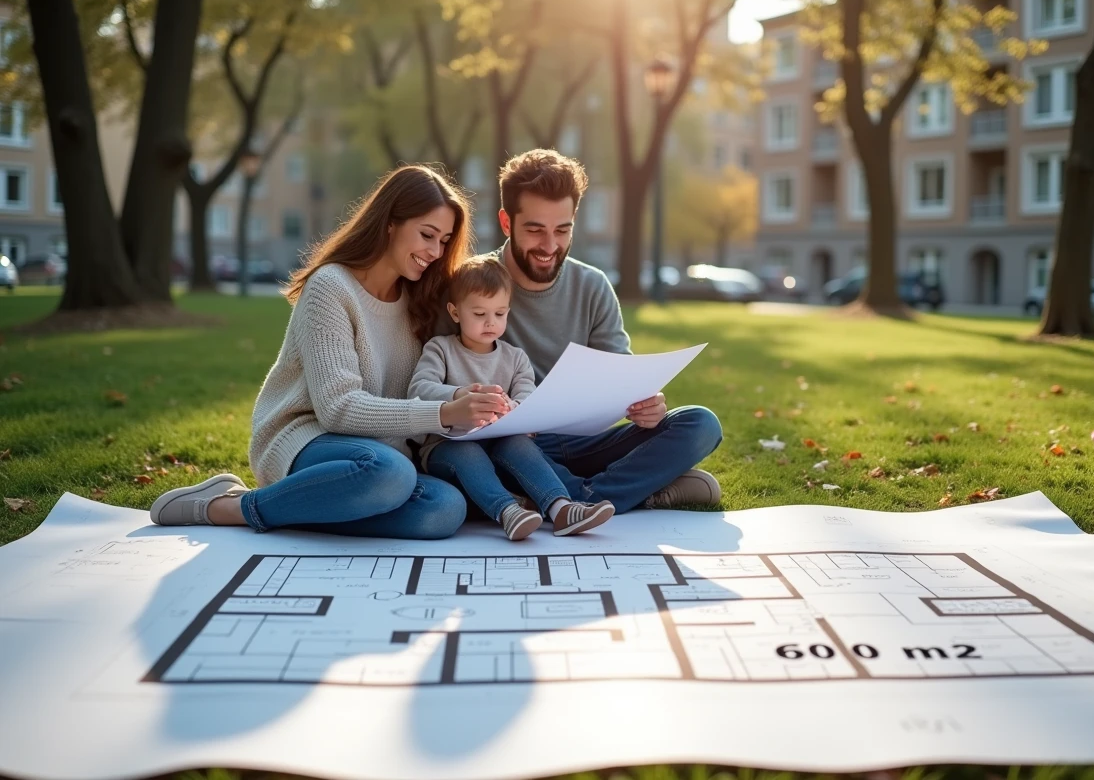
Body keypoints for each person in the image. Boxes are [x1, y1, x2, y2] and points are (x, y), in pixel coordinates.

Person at [146, 165, 511, 538]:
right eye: (427, 235)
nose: (435, 252)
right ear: (390, 223)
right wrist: (445, 412)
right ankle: (230, 506)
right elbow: (338, 409)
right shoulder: (331, 288)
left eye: (444, 241)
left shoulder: (421, 299)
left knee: (445, 509)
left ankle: (311, 506)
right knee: (390, 473)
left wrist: (466, 398)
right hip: (307, 440)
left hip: (379, 458)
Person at [471, 148, 724, 514]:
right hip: (515, 446)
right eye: (535, 230)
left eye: (562, 229)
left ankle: (576, 496)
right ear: (507, 223)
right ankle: (626, 493)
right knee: (490, 452)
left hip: (588, 443)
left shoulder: (593, 285)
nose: (549, 246)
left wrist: (646, 405)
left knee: (701, 423)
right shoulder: (472, 283)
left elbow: (622, 377)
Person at [409, 254, 616, 540]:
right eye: (479, 314)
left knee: (520, 445)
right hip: (447, 447)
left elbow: (528, 397)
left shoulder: (516, 358)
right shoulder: (441, 349)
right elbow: (418, 389)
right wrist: (457, 395)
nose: (490, 322)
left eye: (500, 313)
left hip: (501, 444)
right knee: (467, 453)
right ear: (455, 313)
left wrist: (515, 408)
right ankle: (509, 512)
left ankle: (561, 508)